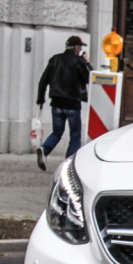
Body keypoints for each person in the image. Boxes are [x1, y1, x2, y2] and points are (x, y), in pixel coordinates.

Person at [35, 35, 91, 171]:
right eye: (80, 47)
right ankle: (68, 165)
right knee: (75, 135)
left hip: (57, 103)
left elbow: (43, 81)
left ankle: (45, 149)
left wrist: (40, 100)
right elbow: (88, 77)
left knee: (57, 132)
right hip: (72, 104)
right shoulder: (79, 61)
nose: (81, 49)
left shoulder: (55, 59)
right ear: (77, 47)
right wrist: (87, 63)